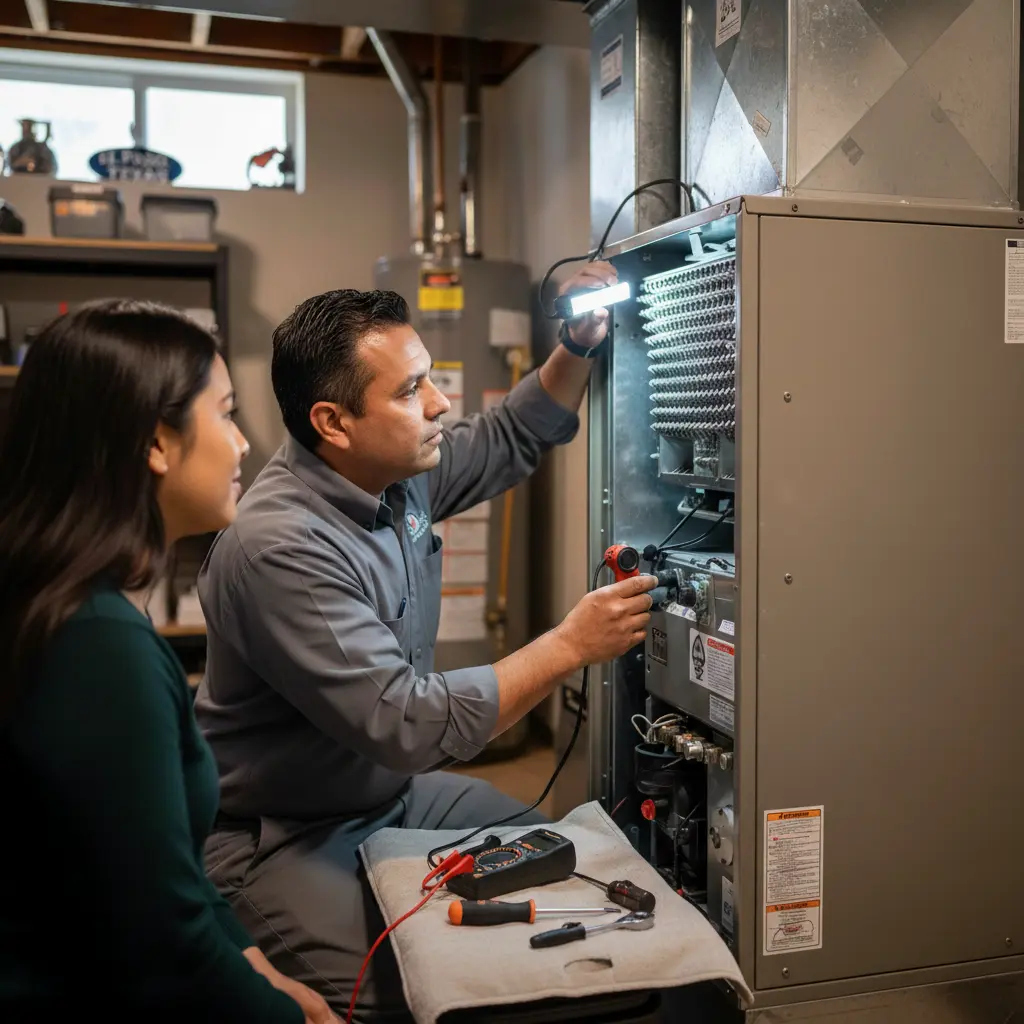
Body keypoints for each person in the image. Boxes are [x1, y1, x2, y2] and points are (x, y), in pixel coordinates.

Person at [194, 262, 656, 1019]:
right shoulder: (282, 547)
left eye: (429, 379)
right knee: (404, 992)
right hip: (281, 831)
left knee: (559, 861)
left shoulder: (393, 473)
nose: (439, 404)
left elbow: (509, 434)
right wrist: (570, 645)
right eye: (410, 391)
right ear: (333, 423)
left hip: (390, 796)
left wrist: (577, 341)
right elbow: (405, 723)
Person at [0, 300, 337, 1024]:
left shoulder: (69, 605)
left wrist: (256, 967)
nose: (244, 443)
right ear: (157, 443)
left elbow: (164, 874)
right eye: (225, 413)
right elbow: (162, 944)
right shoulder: (96, 647)